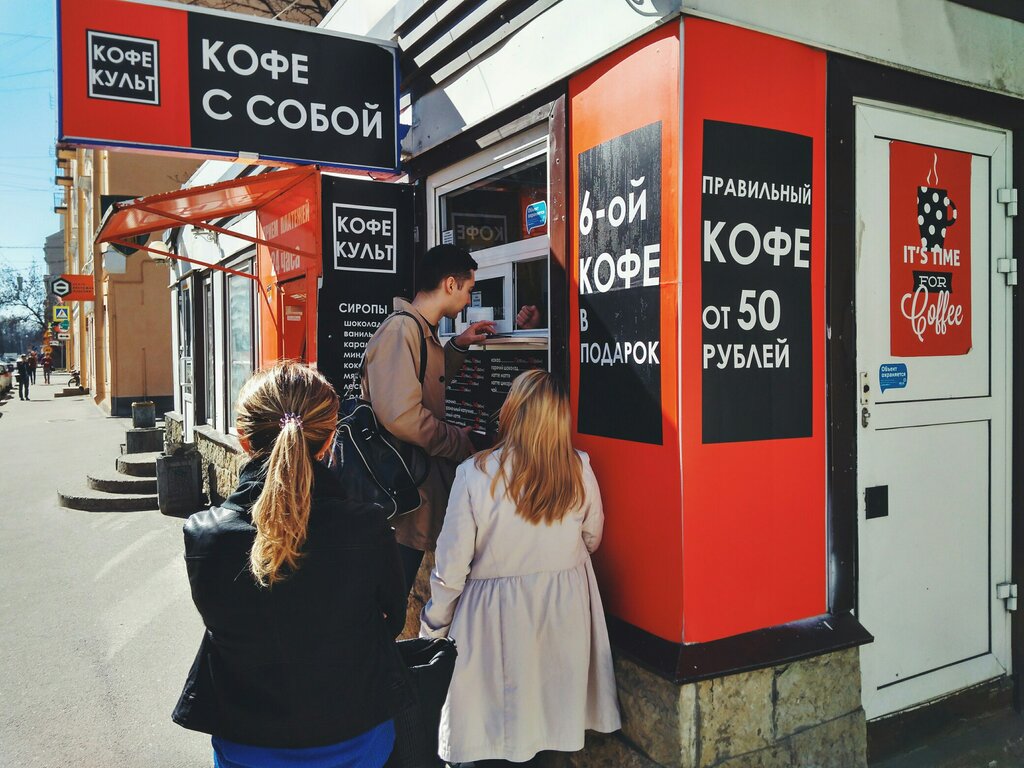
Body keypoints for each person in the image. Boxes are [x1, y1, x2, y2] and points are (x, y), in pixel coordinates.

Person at [173, 361, 411, 768]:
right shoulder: (368, 526)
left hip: (247, 741)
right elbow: (391, 620)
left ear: (243, 439)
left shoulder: (204, 534)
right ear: (330, 440)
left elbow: (223, 622)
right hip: (355, 735)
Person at [421, 370, 621, 766]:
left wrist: (433, 627)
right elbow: (592, 537)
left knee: (495, 738)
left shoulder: (475, 474)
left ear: (511, 410)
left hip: (494, 622)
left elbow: (451, 568)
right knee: (554, 730)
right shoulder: (579, 468)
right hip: (563, 616)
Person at [361, 244, 495, 596]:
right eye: (468, 289)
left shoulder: (420, 330)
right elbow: (402, 416)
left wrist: (459, 345)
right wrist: (457, 440)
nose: (468, 300)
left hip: (410, 492)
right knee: (386, 602)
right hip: (399, 500)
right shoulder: (401, 330)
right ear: (450, 284)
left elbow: (423, 380)